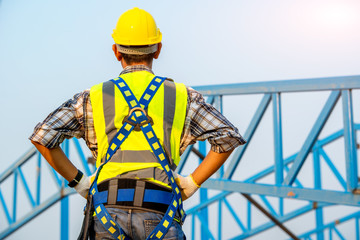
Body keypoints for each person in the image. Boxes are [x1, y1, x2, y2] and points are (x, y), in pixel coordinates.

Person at [30, 7, 246, 240]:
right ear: (158, 49)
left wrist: (80, 182)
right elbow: (227, 137)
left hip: (107, 211)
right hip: (160, 211)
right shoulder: (182, 96)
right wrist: (192, 182)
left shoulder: (93, 97)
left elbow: (43, 135)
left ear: (116, 51)